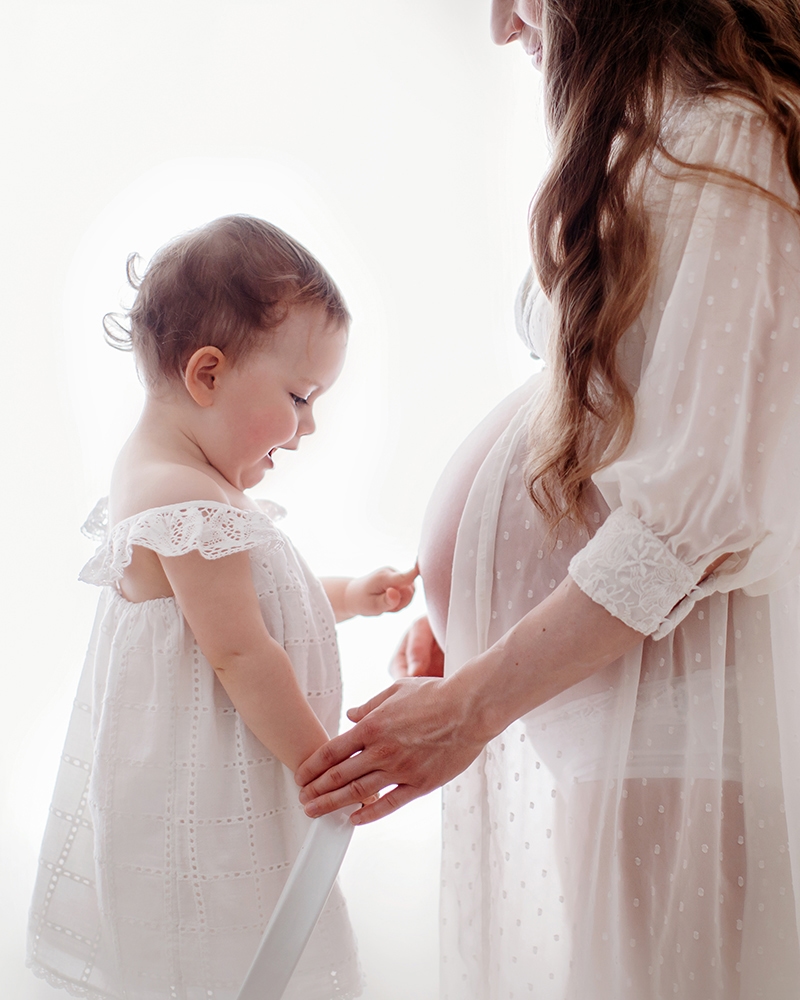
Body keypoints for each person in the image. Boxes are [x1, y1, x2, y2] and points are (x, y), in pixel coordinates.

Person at [296, 1, 800, 996]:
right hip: (622, 709)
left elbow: (693, 512)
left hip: (675, 719)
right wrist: (477, 620)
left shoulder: (729, 142)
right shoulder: (659, 142)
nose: (495, 26)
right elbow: (618, 422)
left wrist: (473, 702)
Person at [26, 215, 417, 1000]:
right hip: (209, 803)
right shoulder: (184, 499)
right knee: (227, 949)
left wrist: (348, 595)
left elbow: (252, 614)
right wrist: (323, 763)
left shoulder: (179, 486)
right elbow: (241, 654)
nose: (308, 429)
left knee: (238, 950)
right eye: (300, 397)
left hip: (209, 783)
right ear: (208, 375)